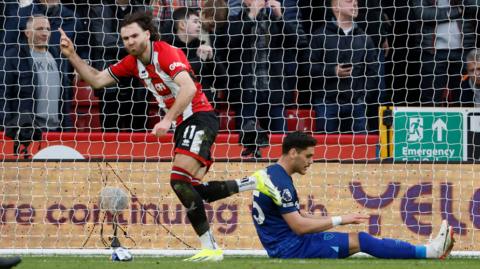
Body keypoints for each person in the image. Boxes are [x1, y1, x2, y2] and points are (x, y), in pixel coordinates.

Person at [58, 11, 281, 261]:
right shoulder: (132, 62)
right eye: (125, 38)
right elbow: (97, 80)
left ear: (148, 34)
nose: (129, 42)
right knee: (193, 189)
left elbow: (188, 88)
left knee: (178, 180)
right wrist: (72, 56)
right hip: (184, 124)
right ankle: (255, 182)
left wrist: (166, 119)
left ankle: (211, 249)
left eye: (134, 36)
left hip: (199, 117)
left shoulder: (166, 53)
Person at [252, 131, 455, 259]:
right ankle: (429, 252)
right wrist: (340, 220)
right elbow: (299, 226)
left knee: (359, 238)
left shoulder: (271, 174)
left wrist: (343, 219)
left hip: (285, 245)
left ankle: (427, 249)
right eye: (308, 156)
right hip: (291, 249)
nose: (311, 161)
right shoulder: (281, 183)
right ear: (293, 152)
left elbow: (300, 216)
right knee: (362, 241)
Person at [226, 0, 307, 157]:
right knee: (245, 142)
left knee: (280, 142)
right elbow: (231, 44)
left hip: (274, 91)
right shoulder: (235, 20)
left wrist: (280, 17)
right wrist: (251, 17)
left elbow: (296, 43)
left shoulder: (274, 21)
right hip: (247, 92)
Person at [0, 15, 73, 157]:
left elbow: (65, 97)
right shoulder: (13, 56)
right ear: (27, 33)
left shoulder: (57, 55)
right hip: (27, 133)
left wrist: (67, 128)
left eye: (47, 29)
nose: (44, 33)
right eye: (39, 29)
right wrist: (9, 127)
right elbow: (3, 94)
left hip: (56, 131)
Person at [309, 0, 379, 133]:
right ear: (335, 7)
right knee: (327, 149)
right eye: (348, 1)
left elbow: (373, 72)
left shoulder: (365, 38)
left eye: (356, 2)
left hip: (356, 104)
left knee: (360, 150)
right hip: (327, 102)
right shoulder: (319, 35)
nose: (354, 4)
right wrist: (333, 71)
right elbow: (307, 68)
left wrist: (363, 97)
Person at [89, 0, 149, 131]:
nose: (129, 40)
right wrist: (135, 42)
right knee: (110, 132)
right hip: (109, 78)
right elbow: (102, 41)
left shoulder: (142, 8)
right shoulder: (99, 8)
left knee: (138, 131)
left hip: (138, 80)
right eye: (127, 37)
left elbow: (151, 38)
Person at [410, 0, 479, 106]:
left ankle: (461, 123)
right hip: (432, 52)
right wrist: (457, 10)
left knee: (464, 98)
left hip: (463, 50)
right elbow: (422, 14)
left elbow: (475, 6)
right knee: (431, 99)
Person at [165, 7, 227, 105]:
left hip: (205, 108)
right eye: (195, 22)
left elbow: (223, 82)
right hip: (177, 109)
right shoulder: (167, 49)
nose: (199, 25)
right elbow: (177, 78)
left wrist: (211, 60)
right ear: (182, 25)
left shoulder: (202, 48)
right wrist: (199, 60)